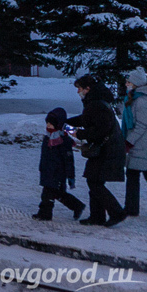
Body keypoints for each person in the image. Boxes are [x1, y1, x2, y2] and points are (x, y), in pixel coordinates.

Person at [66, 74, 128, 226]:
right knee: (94, 180)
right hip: (107, 148)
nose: (78, 91)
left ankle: (116, 212)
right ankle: (97, 217)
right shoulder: (96, 102)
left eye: (80, 88)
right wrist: (67, 122)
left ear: (88, 88)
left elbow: (101, 129)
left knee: (94, 182)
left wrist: (79, 133)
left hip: (107, 150)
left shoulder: (96, 104)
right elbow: (88, 119)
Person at [34, 107, 85, 221]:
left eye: (51, 124)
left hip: (58, 173)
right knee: (59, 194)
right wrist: (42, 168)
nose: (48, 126)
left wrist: (71, 176)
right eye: (47, 123)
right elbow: (45, 156)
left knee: (48, 194)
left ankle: (45, 214)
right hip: (47, 170)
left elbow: (68, 160)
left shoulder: (63, 140)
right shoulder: (48, 138)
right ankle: (77, 206)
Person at [126, 68, 147, 217]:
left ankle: (131, 209)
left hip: (141, 146)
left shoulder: (141, 101)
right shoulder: (136, 98)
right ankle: (131, 208)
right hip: (139, 146)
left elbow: (141, 125)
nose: (126, 84)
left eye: (129, 81)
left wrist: (129, 141)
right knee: (133, 177)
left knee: (133, 177)